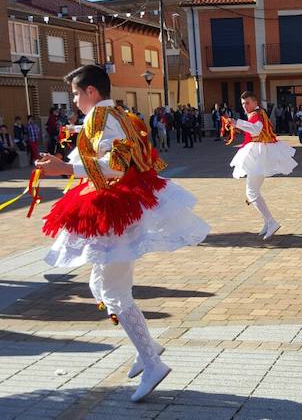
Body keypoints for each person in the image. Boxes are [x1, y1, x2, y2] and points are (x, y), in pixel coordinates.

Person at [36, 65, 209, 402]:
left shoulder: (103, 118)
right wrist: (65, 160)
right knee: (103, 286)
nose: (74, 100)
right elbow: (109, 154)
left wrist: (64, 168)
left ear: (91, 92)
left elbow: (115, 166)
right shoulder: (115, 113)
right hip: (119, 204)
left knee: (112, 290)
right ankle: (147, 344)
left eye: (75, 93)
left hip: (115, 207)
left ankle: (150, 360)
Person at [227, 91, 297, 240]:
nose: (245, 106)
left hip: (257, 154)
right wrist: (239, 124)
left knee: (251, 192)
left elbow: (256, 129)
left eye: (247, 103)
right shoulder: (257, 113)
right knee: (253, 191)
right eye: (243, 104)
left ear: (254, 102)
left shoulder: (256, 114)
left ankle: (271, 221)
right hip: (258, 152)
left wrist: (237, 123)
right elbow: (255, 129)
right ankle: (267, 222)